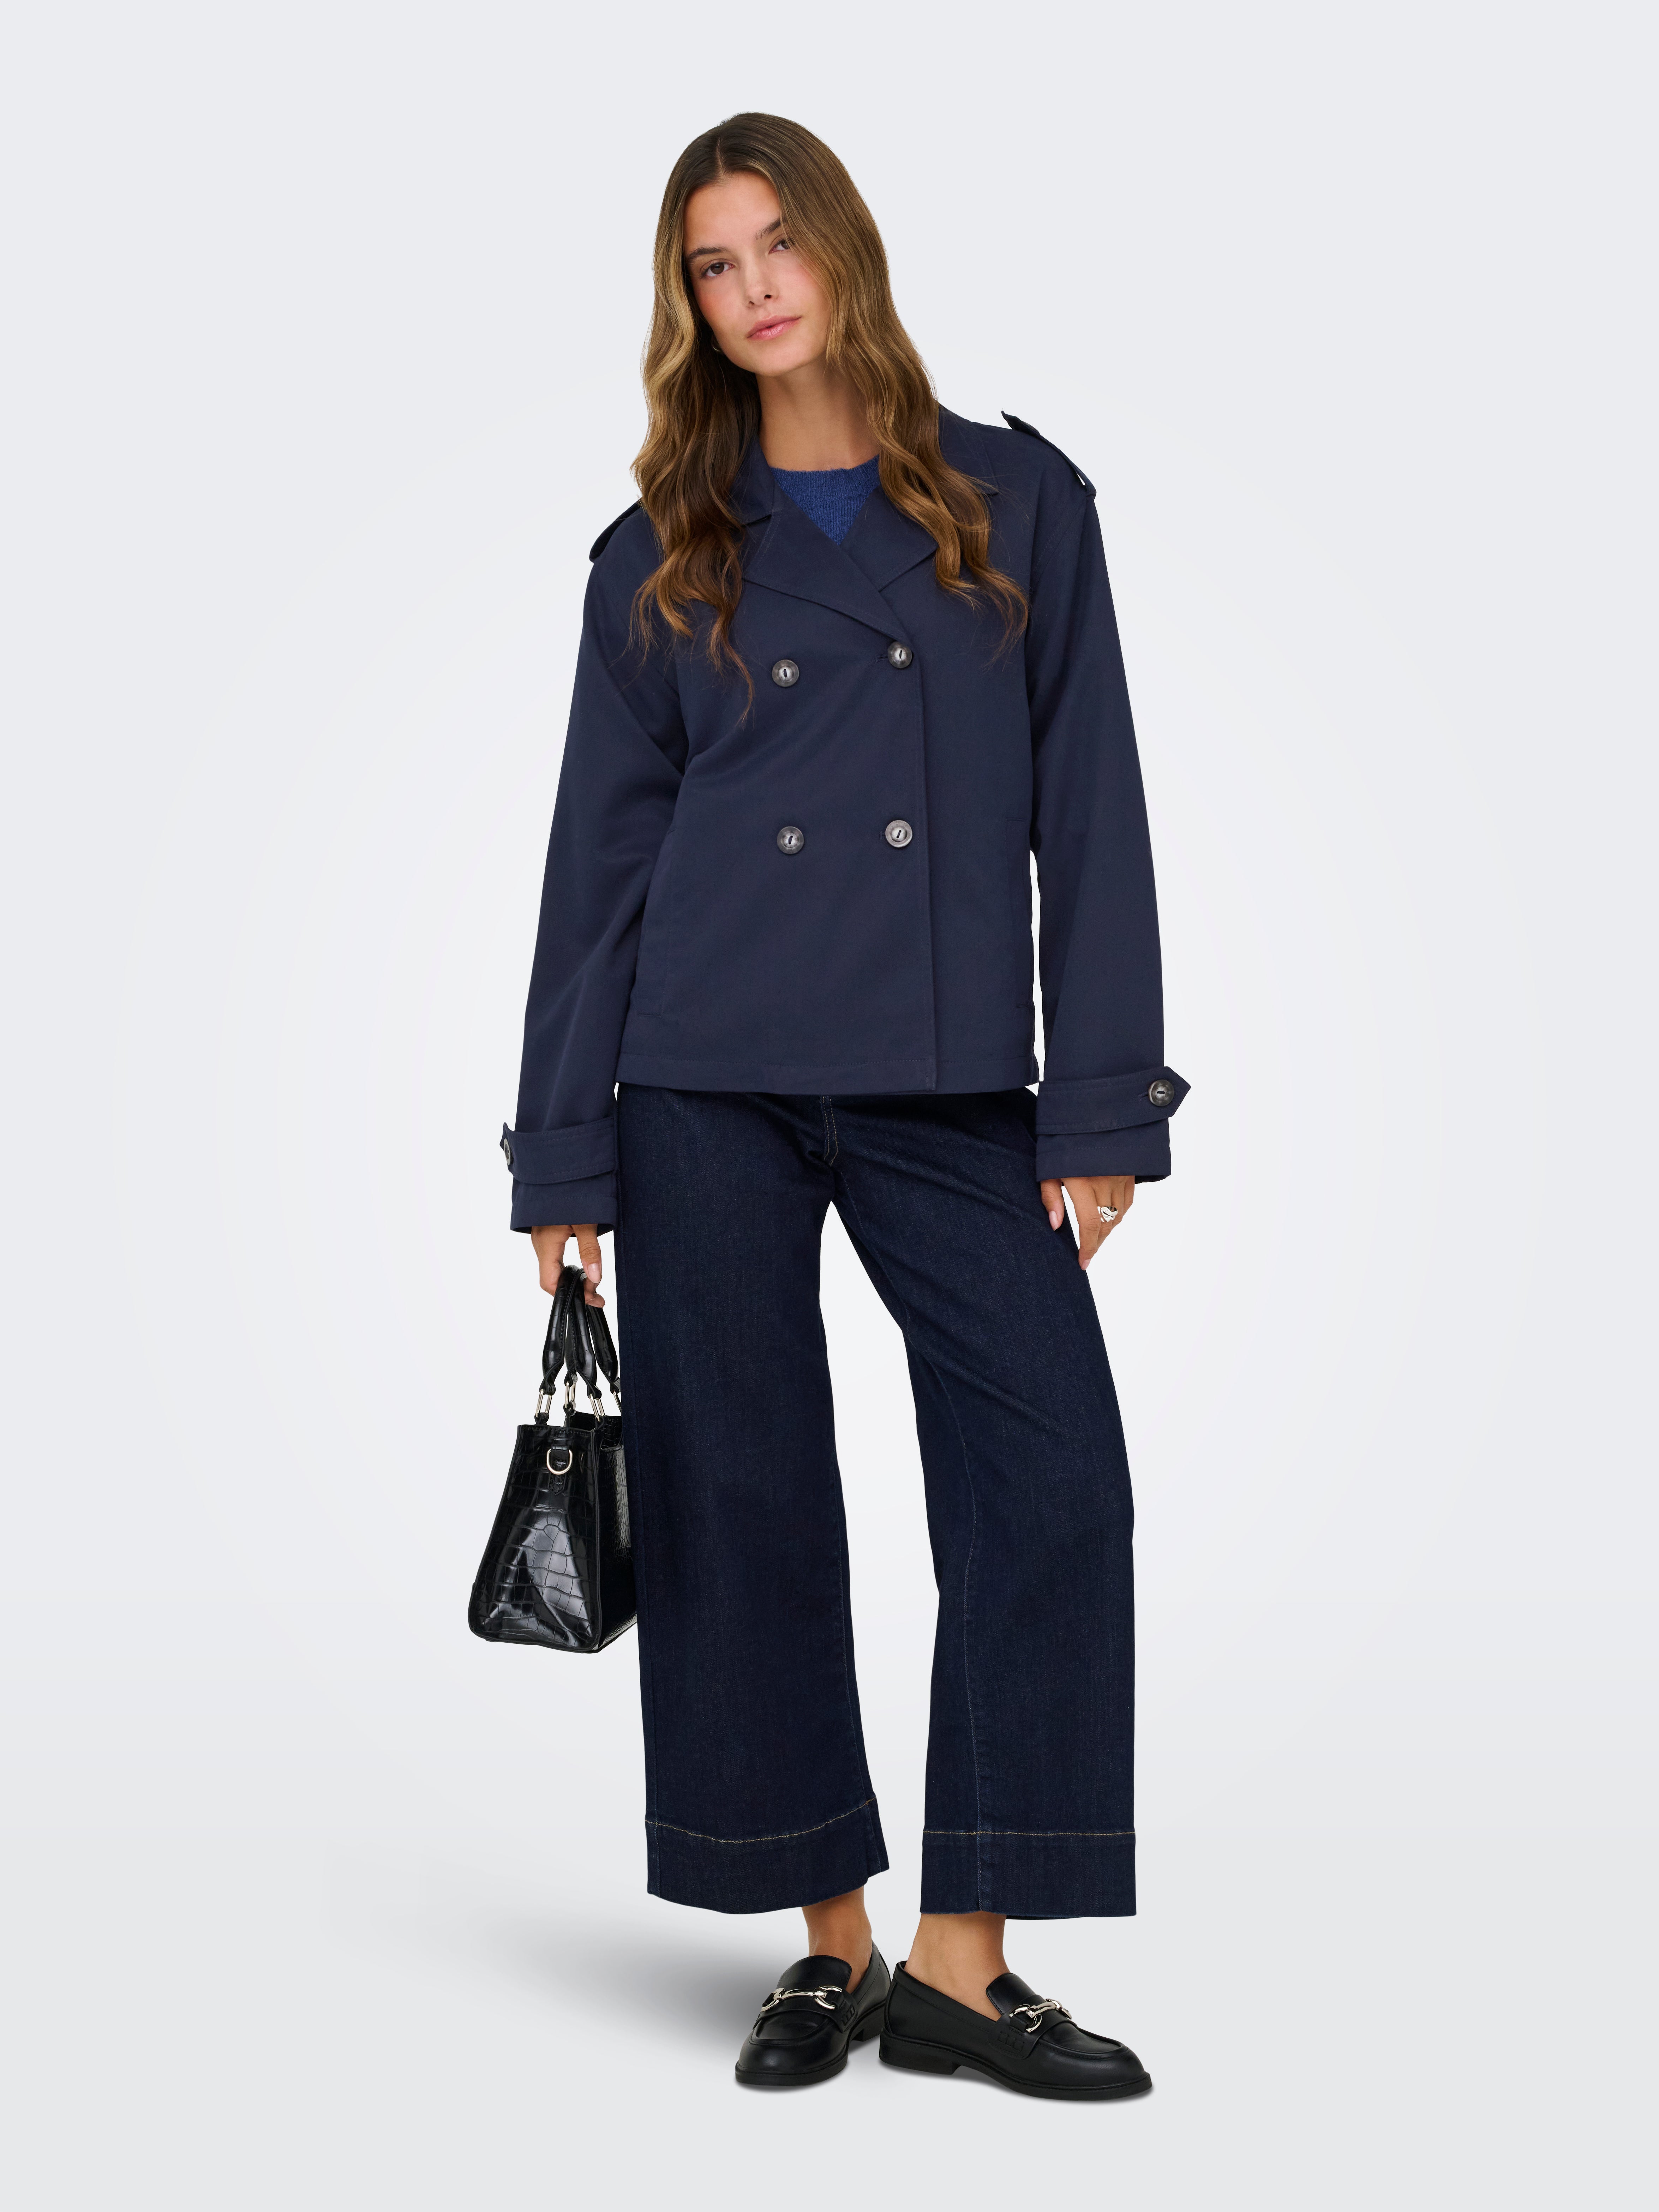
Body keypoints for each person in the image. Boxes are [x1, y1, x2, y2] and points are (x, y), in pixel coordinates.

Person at [501, 112, 1186, 2099]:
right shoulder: (660, 549)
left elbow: (1095, 812)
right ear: (689, 306)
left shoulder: (1017, 499)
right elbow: (596, 865)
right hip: (702, 1070)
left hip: (947, 1077)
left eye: (776, 243)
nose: (753, 289)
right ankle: (828, 1944)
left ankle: (965, 1970)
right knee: (741, 1500)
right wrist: (562, 1149)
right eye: (712, 266)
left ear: (845, 248)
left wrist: (1099, 1109)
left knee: (1052, 1477)